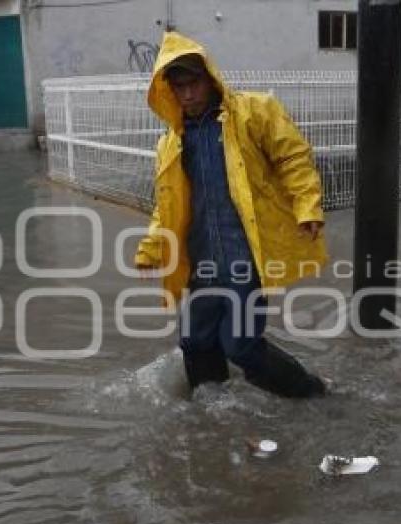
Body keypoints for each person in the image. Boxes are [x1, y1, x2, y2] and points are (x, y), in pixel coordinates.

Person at [135, 32, 328, 398]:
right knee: (195, 341)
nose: (188, 94)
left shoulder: (255, 113)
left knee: (240, 345)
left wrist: (307, 207)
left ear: (210, 78)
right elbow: (168, 204)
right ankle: (214, 411)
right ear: (169, 92)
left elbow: (294, 159)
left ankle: (311, 393)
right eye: (179, 88)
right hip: (203, 262)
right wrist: (150, 248)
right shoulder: (171, 143)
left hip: (244, 259)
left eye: (193, 84)